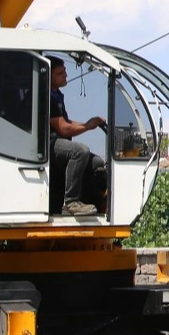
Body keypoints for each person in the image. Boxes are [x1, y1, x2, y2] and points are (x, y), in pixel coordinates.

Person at [49, 56, 107, 217]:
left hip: (58, 141)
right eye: (60, 73)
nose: (65, 75)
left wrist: (88, 123)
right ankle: (71, 202)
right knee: (80, 151)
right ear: (48, 75)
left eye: (65, 71)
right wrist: (87, 126)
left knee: (96, 162)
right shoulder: (47, 96)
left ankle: (93, 200)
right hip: (48, 144)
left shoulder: (57, 94)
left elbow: (66, 122)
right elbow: (64, 129)